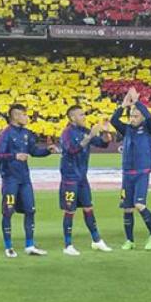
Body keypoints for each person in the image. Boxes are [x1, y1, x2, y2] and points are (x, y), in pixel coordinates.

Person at [0, 102, 54, 258]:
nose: (26, 117)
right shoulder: (5, 134)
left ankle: (30, 245)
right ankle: (8, 246)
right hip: (10, 179)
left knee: (30, 210)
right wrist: (15, 156)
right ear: (15, 115)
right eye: (24, 114)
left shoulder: (27, 133)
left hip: (24, 179)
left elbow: (34, 151)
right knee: (7, 212)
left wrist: (47, 151)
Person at [110, 87, 151, 251]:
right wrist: (123, 105)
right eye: (131, 115)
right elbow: (114, 121)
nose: (132, 118)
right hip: (127, 173)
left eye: (135, 115)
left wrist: (137, 101)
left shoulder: (148, 128)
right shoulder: (127, 129)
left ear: (141, 117)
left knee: (139, 205)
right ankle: (129, 240)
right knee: (127, 208)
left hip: (141, 172)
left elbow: (149, 116)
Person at [59, 104, 112, 256]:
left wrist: (106, 133)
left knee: (88, 207)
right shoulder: (67, 133)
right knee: (70, 210)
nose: (84, 117)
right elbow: (71, 149)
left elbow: (102, 144)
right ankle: (68, 245)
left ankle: (97, 240)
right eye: (81, 115)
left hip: (82, 177)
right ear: (72, 117)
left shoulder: (85, 130)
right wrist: (89, 138)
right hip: (70, 177)